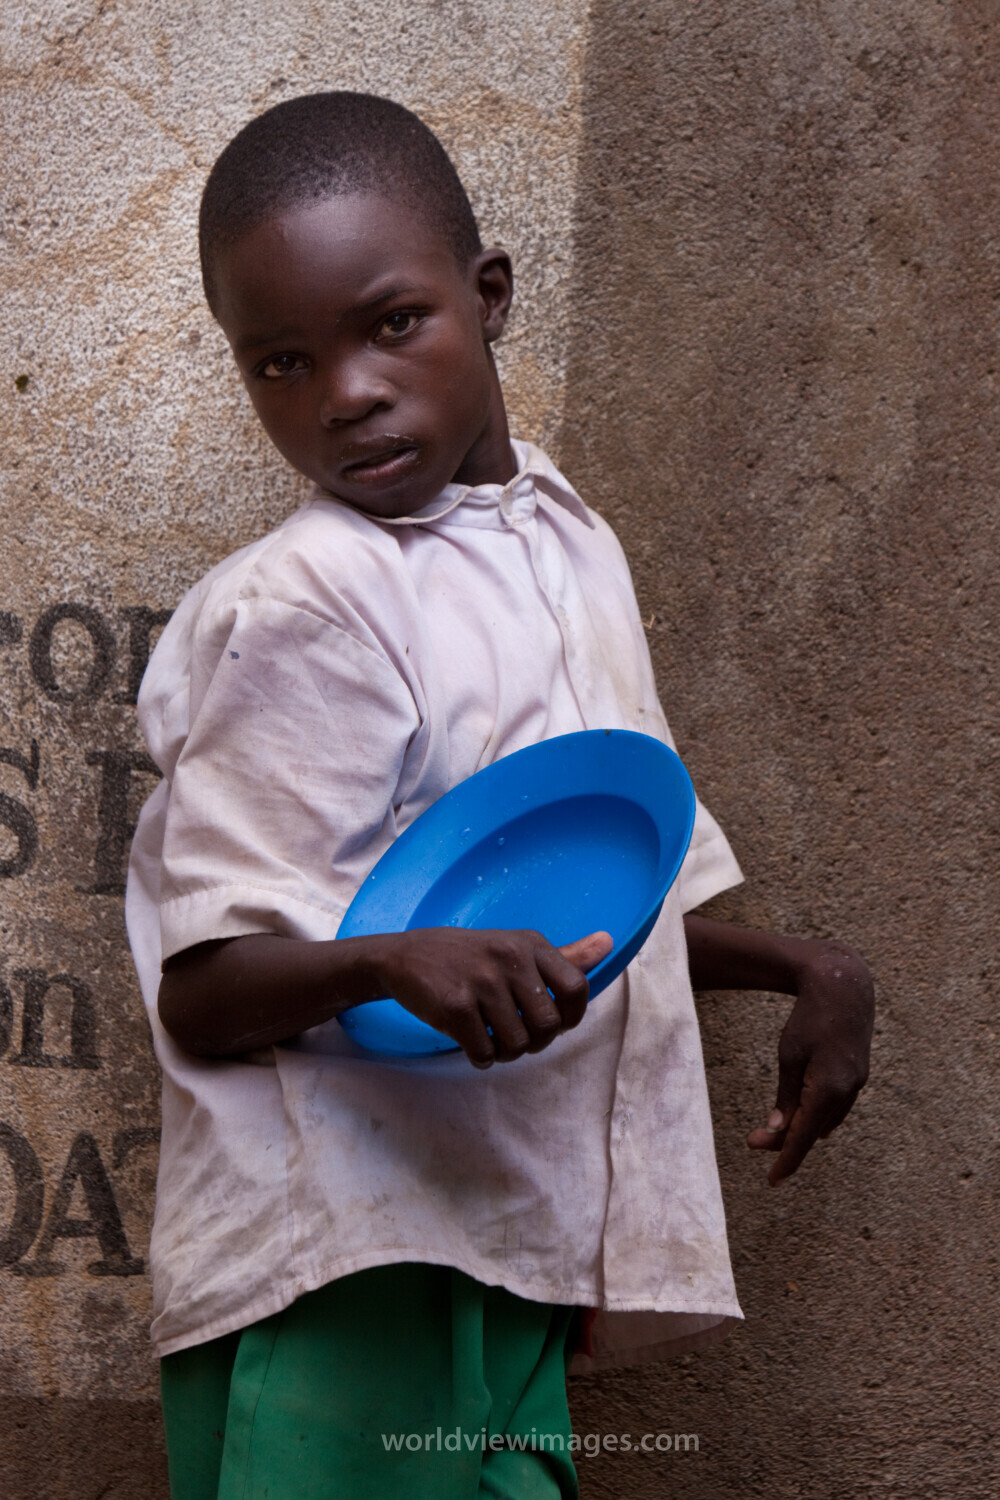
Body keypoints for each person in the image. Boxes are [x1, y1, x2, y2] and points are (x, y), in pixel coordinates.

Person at [125, 92, 874, 1500]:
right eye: (281, 361)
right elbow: (209, 986)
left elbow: (570, 921)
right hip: (341, 1263)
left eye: (390, 323)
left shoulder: (569, 544)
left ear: (490, 298)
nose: (343, 391)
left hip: (507, 1242)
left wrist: (802, 967)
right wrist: (395, 961)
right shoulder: (305, 602)